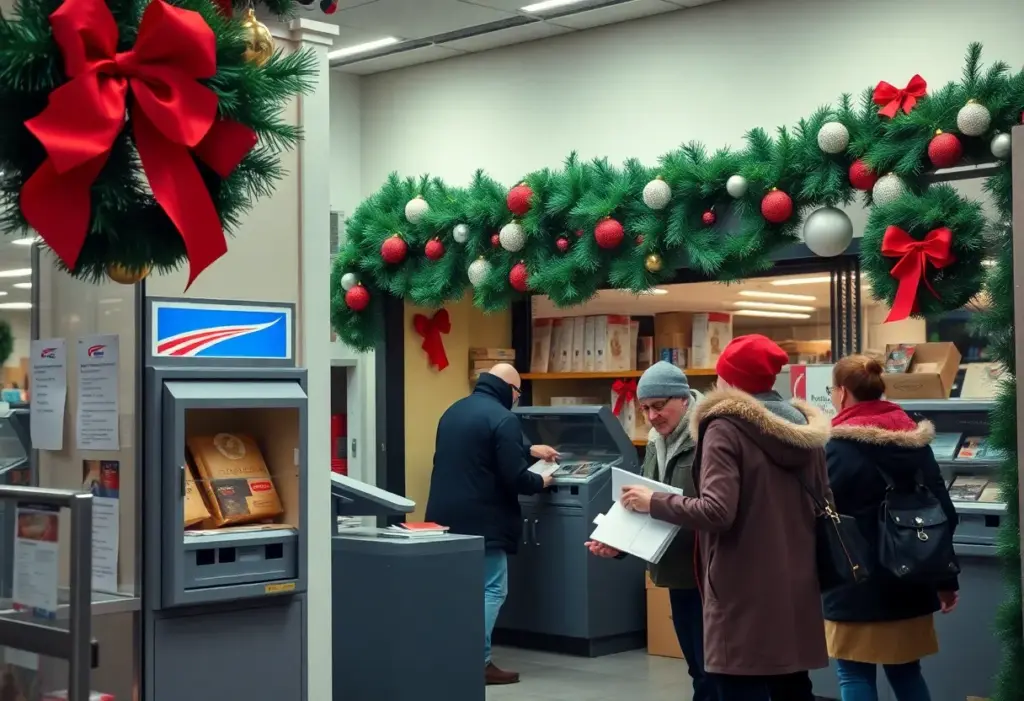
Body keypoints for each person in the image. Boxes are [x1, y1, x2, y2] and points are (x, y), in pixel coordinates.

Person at [620, 335, 830, 701]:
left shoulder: (724, 427)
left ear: (730, 380)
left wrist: (655, 502)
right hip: (794, 580)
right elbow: (824, 502)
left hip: (738, 583)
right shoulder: (804, 429)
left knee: (734, 684)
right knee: (792, 685)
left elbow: (717, 510)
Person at [824, 355, 959, 701]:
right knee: (907, 672)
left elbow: (820, 515)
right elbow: (945, 511)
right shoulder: (915, 442)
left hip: (855, 582)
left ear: (842, 392)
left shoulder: (837, 448)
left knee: (853, 673)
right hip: (912, 576)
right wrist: (946, 581)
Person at [585, 362, 714, 700]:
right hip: (676, 571)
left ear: (683, 398)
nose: (652, 416)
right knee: (697, 668)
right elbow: (645, 505)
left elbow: (716, 508)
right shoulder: (657, 442)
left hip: (709, 573)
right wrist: (618, 544)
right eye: (645, 408)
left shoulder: (708, 438)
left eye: (659, 405)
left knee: (713, 671)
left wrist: (655, 502)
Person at [424, 363, 558, 685]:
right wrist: (542, 481)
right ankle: (478, 661)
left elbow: (480, 449)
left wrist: (528, 449)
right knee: (493, 588)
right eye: (518, 393)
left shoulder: (454, 411)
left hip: (444, 517)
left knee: (460, 589)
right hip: (483, 521)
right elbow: (516, 477)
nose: (517, 399)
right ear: (510, 389)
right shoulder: (504, 418)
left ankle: (452, 656)